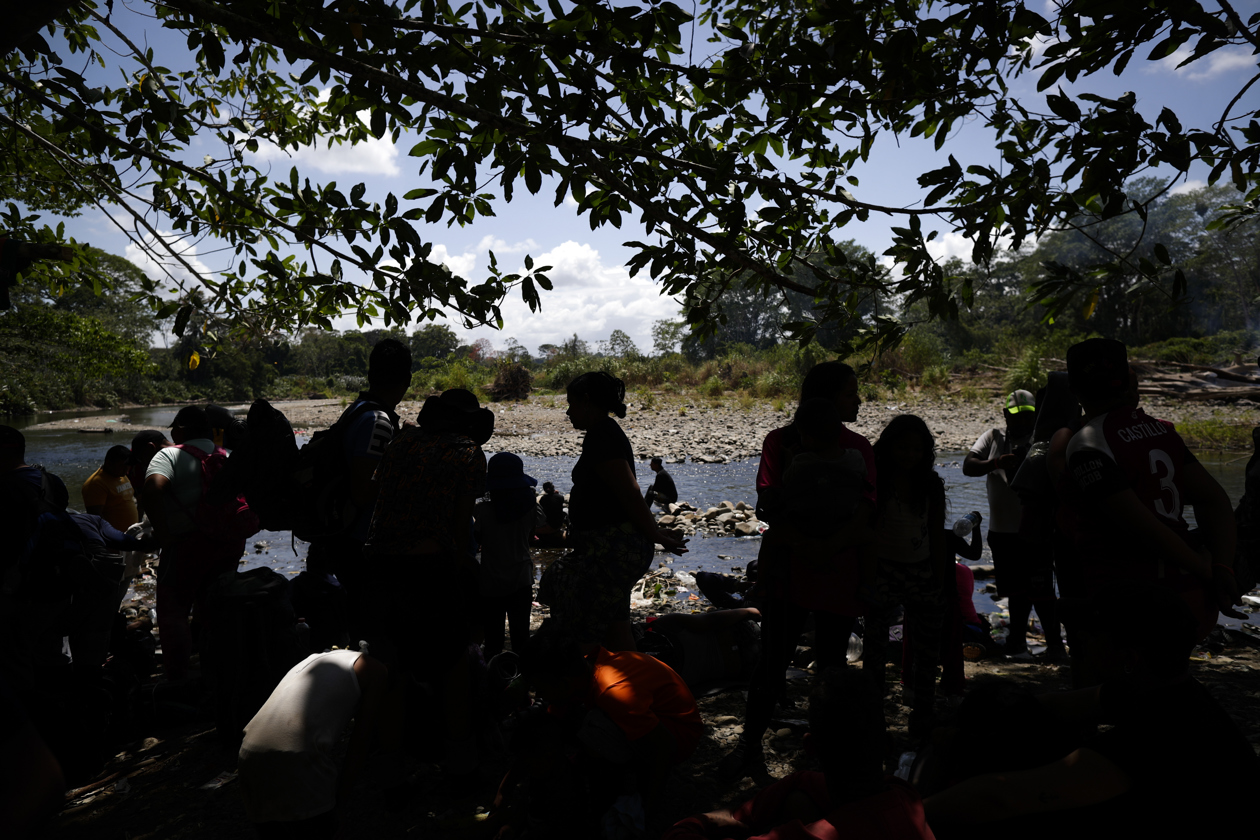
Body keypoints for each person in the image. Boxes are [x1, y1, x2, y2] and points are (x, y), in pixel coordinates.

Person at [923, 584, 1260, 836]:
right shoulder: (1161, 688)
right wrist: (972, 722)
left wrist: (907, 818)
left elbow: (1003, 797)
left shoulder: (1163, 733)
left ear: (1130, 657)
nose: (1080, 638)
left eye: (1094, 632)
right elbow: (1050, 706)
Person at [720, 361, 875, 781]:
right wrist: (828, 547)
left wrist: (810, 545)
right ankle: (758, 748)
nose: (858, 400)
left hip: (799, 566)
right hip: (820, 572)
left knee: (823, 666)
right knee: (780, 664)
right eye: (850, 393)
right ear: (826, 398)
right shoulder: (850, 450)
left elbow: (774, 506)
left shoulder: (817, 446)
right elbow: (773, 504)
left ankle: (819, 756)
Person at [1059, 338, 1242, 644]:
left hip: (1131, 598)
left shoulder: (1088, 443)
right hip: (1189, 596)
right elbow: (1215, 500)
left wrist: (1204, 568)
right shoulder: (1162, 431)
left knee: (1122, 684)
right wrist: (1222, 567)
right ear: (1127, 383)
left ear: (1074, 389)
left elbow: (1143, 528)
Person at [363, 387, 493, 779]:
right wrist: (467, 570)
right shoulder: (468, 452)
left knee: (392, 666)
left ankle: (391, 765)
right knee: (452, 663)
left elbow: (379, 497)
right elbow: (459, 524)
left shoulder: (401, 443)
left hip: (381, 565)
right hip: (430, 565)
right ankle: (460, 763)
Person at [666, 668, 934, 840]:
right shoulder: (904, 796)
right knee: (797, 798)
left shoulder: (815, 835)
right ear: (888, 746)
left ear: (809, 748)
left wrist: (691, 825)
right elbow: (804, 781)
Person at [539, 372, 686, 652]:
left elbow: (629, 491)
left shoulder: (602, 435)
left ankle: (597, 681)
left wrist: (654, 532)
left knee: (585, 619)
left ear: (586, 401)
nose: (568, 412)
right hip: (612, 545)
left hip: (612, 548)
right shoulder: (602, 433)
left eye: (571, 404)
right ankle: (631, 679)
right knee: (615, 624)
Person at [522, 628, 703, 828]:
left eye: (541, 688)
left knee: (593, 732)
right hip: (657, 723)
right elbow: (550, 722)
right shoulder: (583, 667)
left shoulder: (612, 692)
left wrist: (647, 812)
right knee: (573, 724)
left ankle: (618, 787)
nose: (539, 694)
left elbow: (665, 748)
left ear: (563, 683)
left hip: (679, 735)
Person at [238, 650, 393, 839]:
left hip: (248, 752)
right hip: (298, 758)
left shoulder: (317, 658)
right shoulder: (377, 671)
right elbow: (360, 743)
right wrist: (340, 804)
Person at [143, 405, 244, 681]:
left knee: (173, 611)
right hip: (228, 543)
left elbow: (152, 489)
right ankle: (219, 669)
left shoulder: (170, 454)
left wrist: (163, 533)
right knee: (215, 606)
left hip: (186, 545)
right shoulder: (227, 455)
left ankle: (178, 675)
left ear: (181, 430)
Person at [861, 414, 948, 736]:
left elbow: (937, 533)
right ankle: (873, 716)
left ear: (926, 452)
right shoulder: (877, 482)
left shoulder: (931, 485)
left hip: (922, 570)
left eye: (917, 449)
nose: (910, 455)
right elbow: (868, 532)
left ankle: (923, 714)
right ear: (888, 447)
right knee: (874, 650)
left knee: (927, 652)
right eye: (903, 448)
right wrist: (867, 578)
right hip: (882, 570)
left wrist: (939, 579)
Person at [320, 337, 412, 633]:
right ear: (408, 380)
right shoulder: (379, 422)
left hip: (344, 535)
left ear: (370, 376)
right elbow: (363, 492)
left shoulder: (358, 409)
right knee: (374, 631)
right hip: (361, 542)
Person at [964, 391, 1063, 661]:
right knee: (1015, 591)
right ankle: (1017, 642)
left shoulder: (1042, 441)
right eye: (1016, 417)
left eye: (1028, 417)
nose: (1022, 422)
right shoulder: (993, 438)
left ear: (1036, 416)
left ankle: (1055, 645)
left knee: (1042, 590)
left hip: (1037, 530)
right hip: (1002, 532)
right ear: (1006, 415)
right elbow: (969, 466)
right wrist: (996, 462)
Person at [902, 519, 984, 706]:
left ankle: (909, 686)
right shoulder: (948, 535)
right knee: (951, 645)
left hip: (917, 594)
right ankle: (952, 688)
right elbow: (975, 554)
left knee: (912, 643)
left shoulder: (912, 534)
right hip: (946, 597)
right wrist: (977, 528)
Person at [475, 452, 539, 659]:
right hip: (521, 577)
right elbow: (542, 528)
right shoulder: (530, 508)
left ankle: (493, 680)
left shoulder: (482, 510)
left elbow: (475, 539)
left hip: (490, 579)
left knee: (493, 640)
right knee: (521, 637)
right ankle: (522, 681)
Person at [638, 607, 762, 692]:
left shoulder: (653, 684)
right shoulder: (667, 625)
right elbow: (710, 621)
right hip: (744, 638)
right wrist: (747, 611)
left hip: (745, 669)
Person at [81, 444, 139, 532]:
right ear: (109, 463)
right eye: (122, 466)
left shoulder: (121, 475)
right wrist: (114, 536)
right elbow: (96, 517)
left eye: (128, 466)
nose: (126, 470)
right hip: (115, 538)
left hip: (131, 533)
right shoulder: (96, 483)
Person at [128, 429, 170, 519]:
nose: (143, 463)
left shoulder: (168, 462)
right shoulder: (188, 451)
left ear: (151, 448)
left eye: (142, 459)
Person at [535, 481, 568, 548]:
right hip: (558, 524)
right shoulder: (560, 497)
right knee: (565, 511)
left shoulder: (543, 499)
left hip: (550, 526)